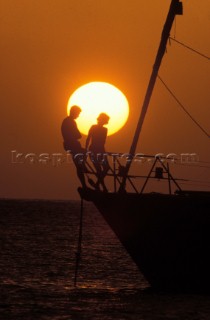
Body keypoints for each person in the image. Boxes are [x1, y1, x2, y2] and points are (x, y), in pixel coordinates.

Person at [61, 105, 86, 188]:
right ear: (74, 112)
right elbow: (78, 135)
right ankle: (84, 184)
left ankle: (84, 182)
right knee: (79, 165)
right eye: (78, 113)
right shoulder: (70, 122)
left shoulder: (66, 121)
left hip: (70, 145)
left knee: (79, 165)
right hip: (73, 146)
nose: (78, 115)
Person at [86, 113, 110, 191]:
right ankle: (103, 187)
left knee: (106, 168)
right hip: (94, 150)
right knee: (99, 170)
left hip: (100, 151)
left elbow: (102, 142)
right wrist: (86, 150)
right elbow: (88, 139)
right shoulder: (94, 127)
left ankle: (98, 185)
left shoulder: (105, 129)